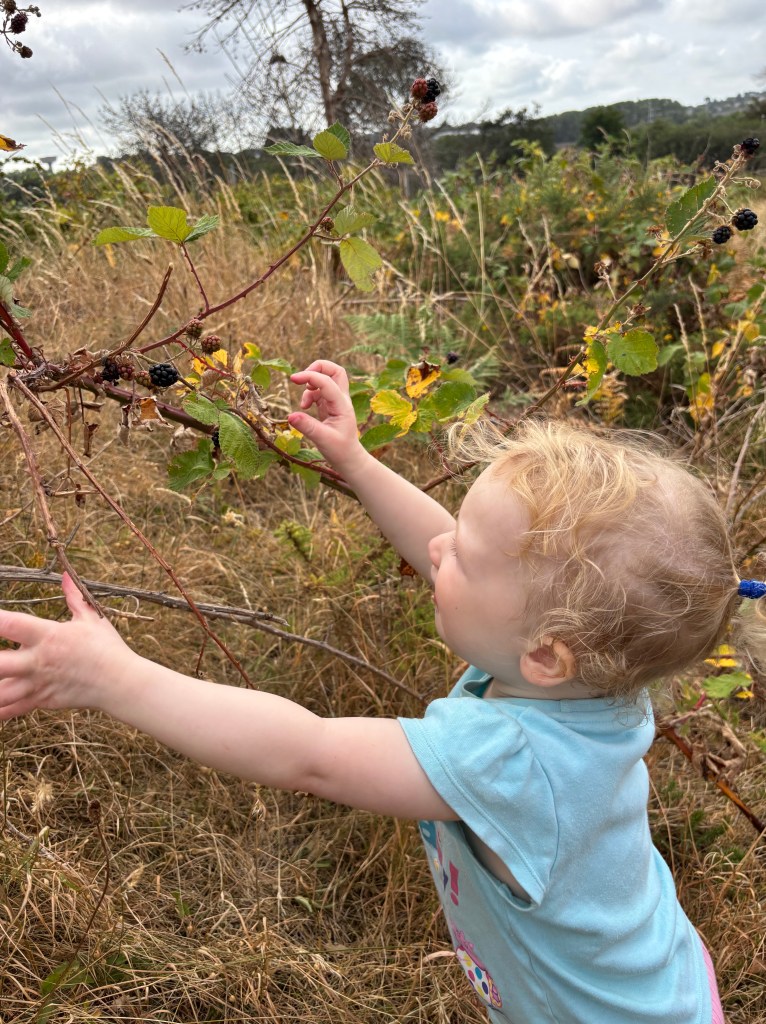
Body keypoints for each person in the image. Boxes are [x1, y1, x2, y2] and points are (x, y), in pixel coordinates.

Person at [1, 359, 763, 1023]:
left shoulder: (513, 761)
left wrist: (113, 676)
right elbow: (474, 571)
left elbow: (311, 754)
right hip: (654, 979)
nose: (437, 551)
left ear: (547, 655)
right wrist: (358, 463)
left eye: (460, 554)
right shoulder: (594, 677)